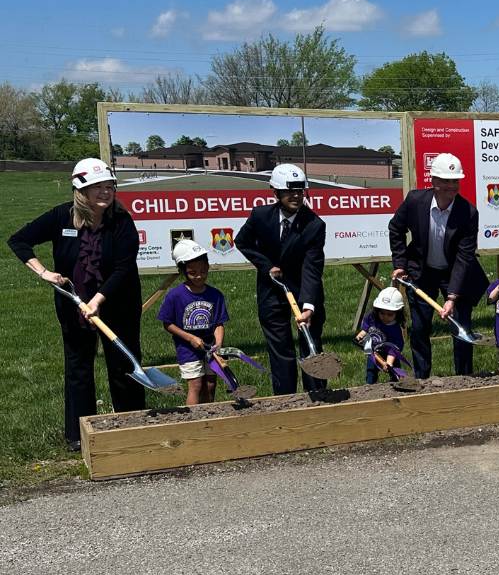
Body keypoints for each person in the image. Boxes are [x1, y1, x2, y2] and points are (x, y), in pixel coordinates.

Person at [8, 158, 144, 451]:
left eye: (110, 187)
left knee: (123, 364)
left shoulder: (121, 221)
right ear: (80, 189)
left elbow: (123, 267)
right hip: (74, 303)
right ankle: (78, 435)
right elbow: (19, 241)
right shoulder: (61, 217)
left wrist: (97, 300)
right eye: (98, 187)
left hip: (117, 301)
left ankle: (132, 424)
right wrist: (44, 273)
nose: (106, 193)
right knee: (78, 367)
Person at [388, 153, 489, 378]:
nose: (451, 186)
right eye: (446, 181)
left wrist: (452, 297)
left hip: (456, 273)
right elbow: (396, 228)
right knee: (420, 327)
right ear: (433, 181)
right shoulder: (415, 201)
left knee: (461, 326)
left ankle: (464, 378)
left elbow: (464, 256)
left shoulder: (468, 212)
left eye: (455, 181)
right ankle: (422, 378)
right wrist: (400, 263)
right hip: (422, 273)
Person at [235, 163, 327, 395]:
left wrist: (308, 306)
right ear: (275, 192)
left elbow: (312, 268)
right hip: (271, 292)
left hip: (304, 292)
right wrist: (267, 267)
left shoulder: (314, 225)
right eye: (290, 191)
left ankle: (316, 396)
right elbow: (242, 242)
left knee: (310, 345)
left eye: (300, 191)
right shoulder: (260, 216)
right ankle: (285, 400)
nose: (296, 196)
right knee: (281, 349)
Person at [158, 240, 229, 405]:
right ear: (183, 271)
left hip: (211, 347)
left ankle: (208, 415)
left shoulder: (215, 295)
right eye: (193, 272)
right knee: (196, 384)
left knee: (210, 384)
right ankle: (194, 420)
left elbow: (219, 323)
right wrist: (190, 338)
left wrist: (218, 345)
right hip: (187, 348)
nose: (199, 276)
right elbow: (167, 323)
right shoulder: (175, 296)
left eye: (203, 271)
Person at [356, 287, 406, 384]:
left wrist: (389, 362)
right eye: (382, 313)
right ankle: (369, 387)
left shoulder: (395, 330)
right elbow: (366, 325)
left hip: (390, 354)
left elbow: (395, 349)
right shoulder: (372, 317)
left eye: (389, 314)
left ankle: (398, 385)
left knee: (395, 372)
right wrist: (363, 333)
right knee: (371, 371)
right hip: (373, 351)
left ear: (398, 313)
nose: (385, 317)